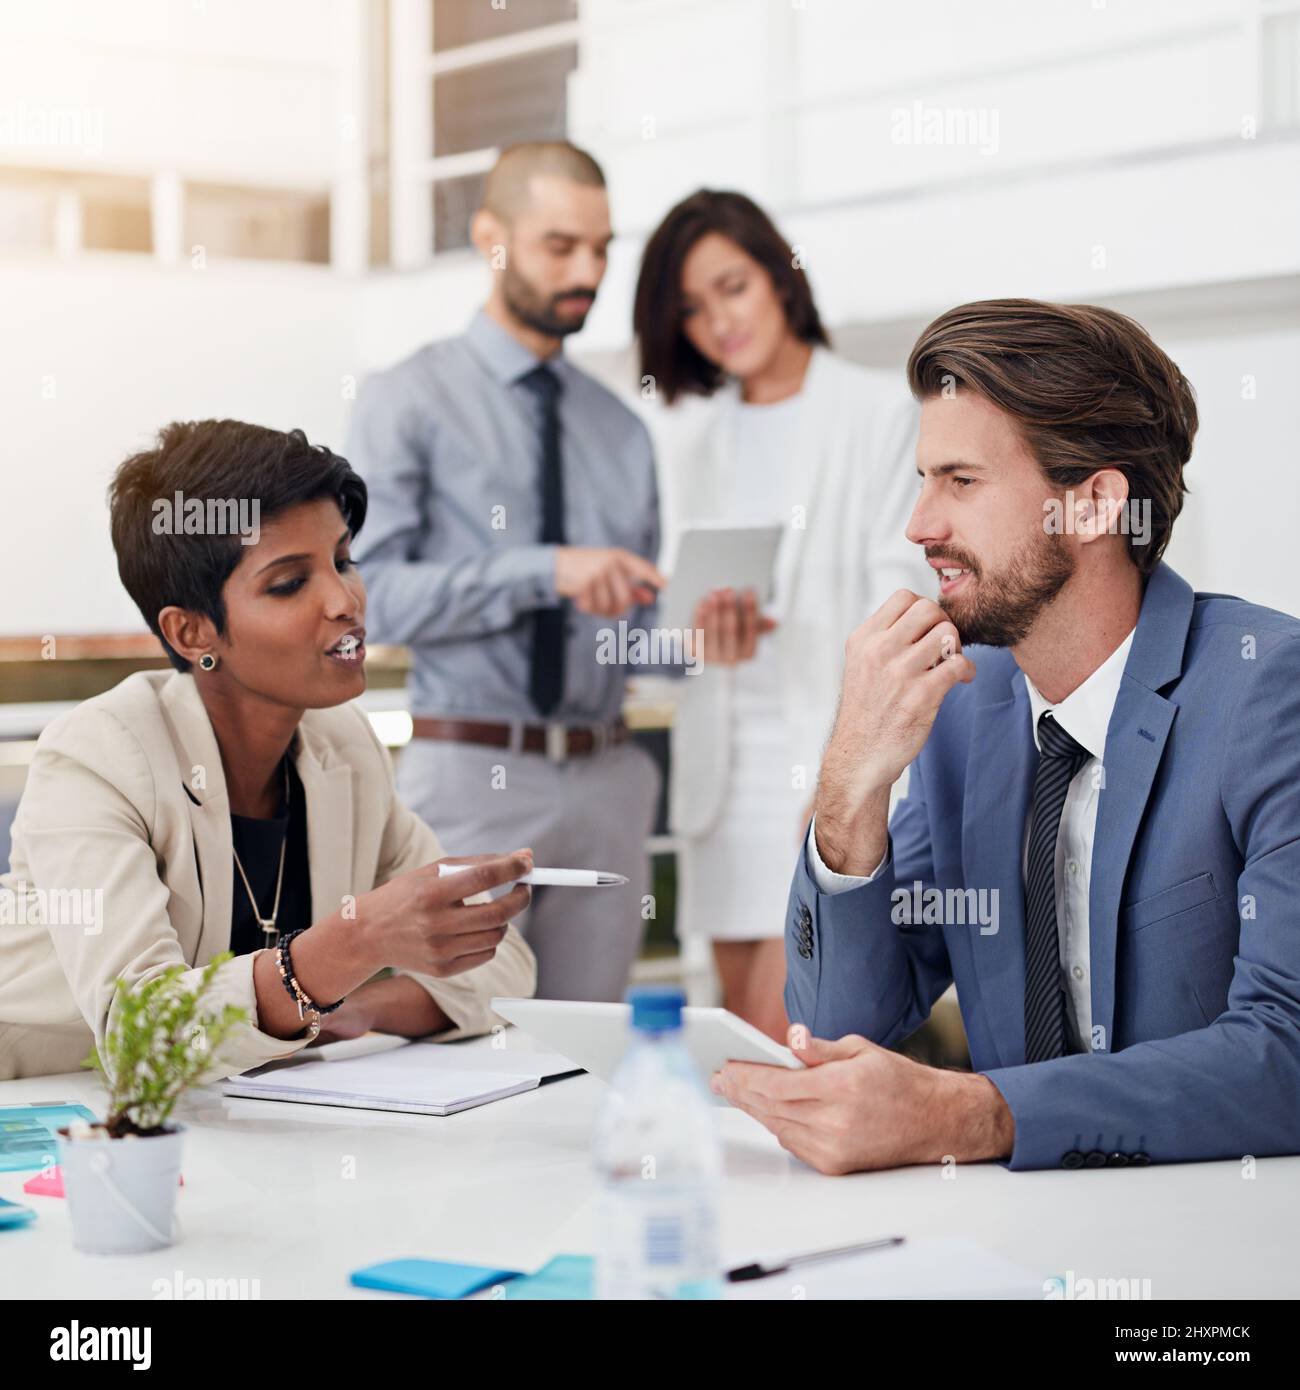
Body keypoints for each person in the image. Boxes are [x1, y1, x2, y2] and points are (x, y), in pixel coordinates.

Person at [712, 298, 1300, 1172]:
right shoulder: (964, 709)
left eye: (961, 481)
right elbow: (840, 1028)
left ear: (1096, 504)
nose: (919, 525)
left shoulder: (1266, 691)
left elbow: (1284, 1057)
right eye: (921, 480)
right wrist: (850, 782)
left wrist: (975, 1115)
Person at [0, 420, 536, 1083]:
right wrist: (347, 947)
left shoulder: (343, 745)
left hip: (230, 1123)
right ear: (193, 630)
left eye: (343, 560)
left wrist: (359, 1006)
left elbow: (503, 965)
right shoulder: (98, 757)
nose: (345, 602)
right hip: (49, 1118)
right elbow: (143, 1039)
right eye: (288, 583)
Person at [349, 141, 668, 1003]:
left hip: (608, 782)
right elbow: (368, 600)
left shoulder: (622, 433)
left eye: (601, 249)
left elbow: (629, 638)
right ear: (491, 238)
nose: (588, 270)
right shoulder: (405, 398)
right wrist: (545, 572)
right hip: (471, 779)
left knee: (588, 1059)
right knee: (455, 1041)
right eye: (559, 245)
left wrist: (703, 632)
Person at [633, 190, 928, 1039]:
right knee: (736, 1032)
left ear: (780, 278)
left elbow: (900, 597)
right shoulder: (689, 435)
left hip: (819, 746)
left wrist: (850, 766)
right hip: (724, 774)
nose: (716, 321)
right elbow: (665, 623)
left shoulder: (877, 413)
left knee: (792, 1025)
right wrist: (696, 633)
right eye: (690, 308)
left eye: (733, 287)